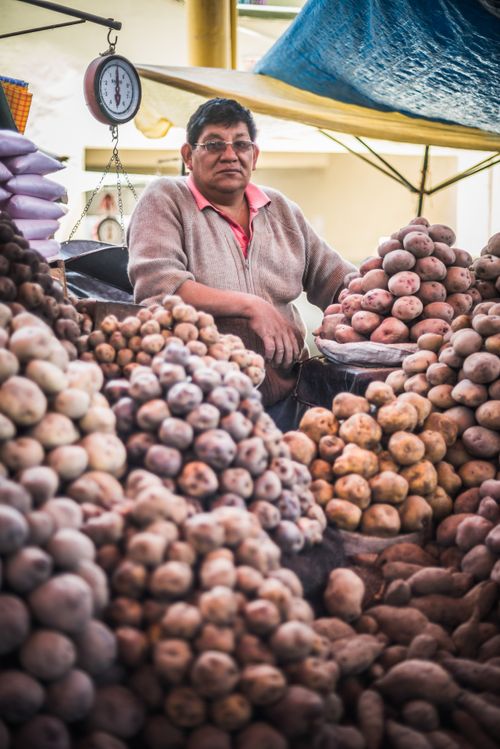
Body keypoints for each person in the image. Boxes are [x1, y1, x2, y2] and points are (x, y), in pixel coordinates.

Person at [128, 98, 355, 430]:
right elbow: (160, 289)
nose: (230, 154)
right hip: (202, 403)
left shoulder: (281, 209)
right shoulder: (165, 198)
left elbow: (335, 280)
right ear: (188, 156)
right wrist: (251, 306)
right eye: (214, 144)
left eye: (241, 144)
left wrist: (385, 288)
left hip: (290, 396)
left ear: (254, 155)